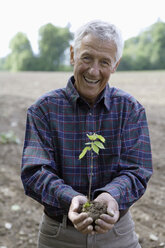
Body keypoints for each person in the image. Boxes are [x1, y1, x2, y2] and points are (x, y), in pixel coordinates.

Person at [21, 20, 152, 248]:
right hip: (59, 235)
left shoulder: (130, 110)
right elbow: (35, 172)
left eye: (104, 62)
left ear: (115, 65)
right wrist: (70, 199)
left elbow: (137, 170)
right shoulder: (43, 109)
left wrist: (110, 196)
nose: (93, 70)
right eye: (87, 58)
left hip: (118, 236)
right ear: (73, 55)